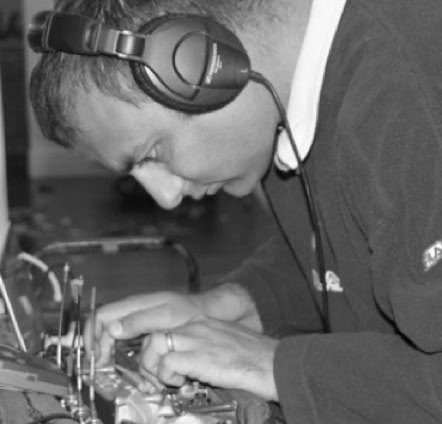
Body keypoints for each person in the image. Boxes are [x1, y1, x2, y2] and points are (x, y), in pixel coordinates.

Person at [29, 0, 442, 422]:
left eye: (153, 153)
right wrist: (235, 305)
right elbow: (364, 245)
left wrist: (272, 365)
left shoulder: (408, 95)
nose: (166, 197)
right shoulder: (286, 107)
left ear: (202, 62)